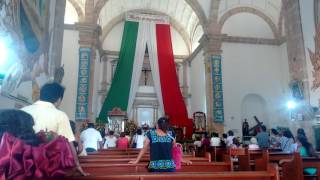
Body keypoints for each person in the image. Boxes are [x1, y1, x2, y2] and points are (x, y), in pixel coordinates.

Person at [21, 82, 87, 176]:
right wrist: (77, 165)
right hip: (46, 166)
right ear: (59, 99)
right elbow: (69, 143)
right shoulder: (60, 115)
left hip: (21, 165)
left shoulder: (23, 110)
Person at [0, 109, 75, 178]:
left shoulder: (10, 156)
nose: (33, 131)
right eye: (31, 127)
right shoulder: (34, 159)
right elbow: (62, 148)